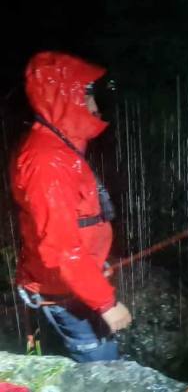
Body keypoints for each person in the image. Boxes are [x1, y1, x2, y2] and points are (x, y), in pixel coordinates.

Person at [13, 51, 132, 362]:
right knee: (101, 364)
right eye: (86, 95)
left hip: (71, 286)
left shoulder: (61, 150)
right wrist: (106, 304)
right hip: (65, 294)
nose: (93, 105)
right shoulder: (48, 162)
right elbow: (63, 247)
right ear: (63, 98)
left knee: (97, 359)